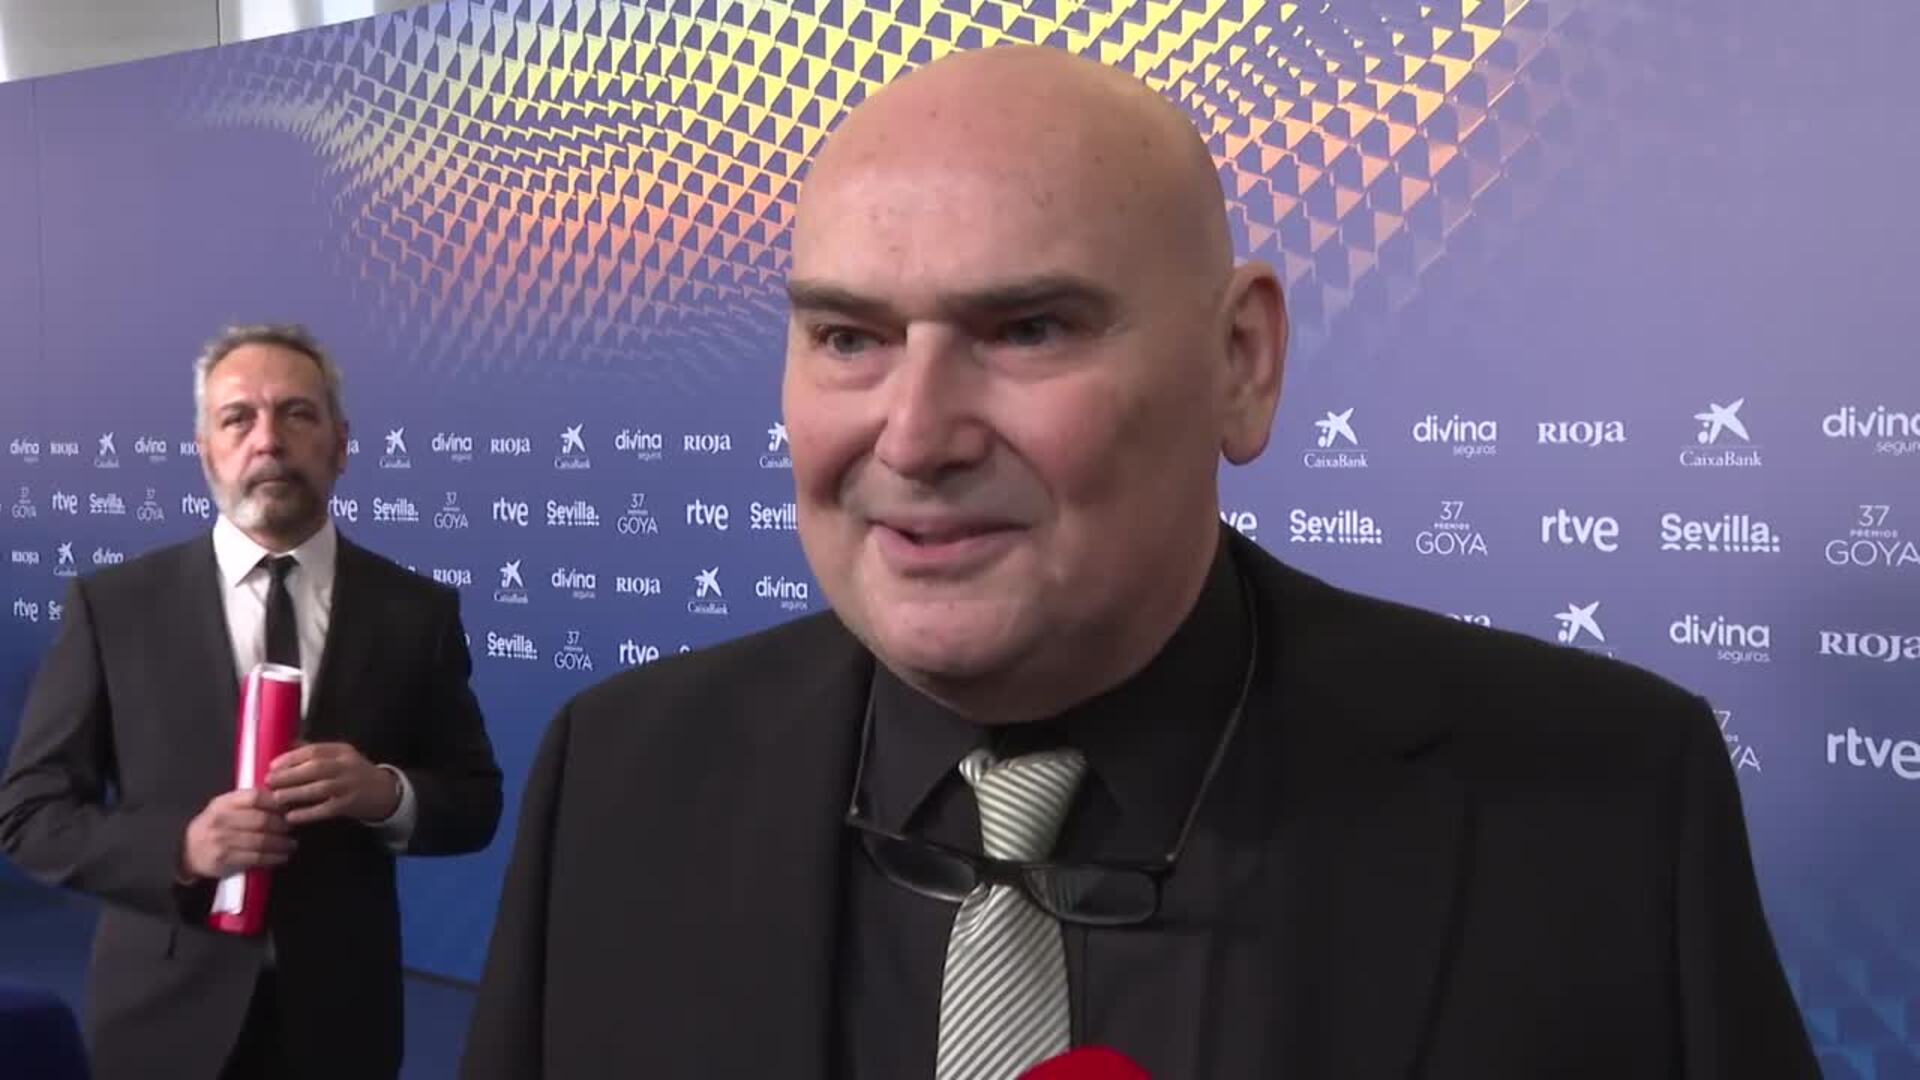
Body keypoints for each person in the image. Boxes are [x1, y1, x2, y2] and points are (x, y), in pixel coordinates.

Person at [462, 46, 1818, 1079]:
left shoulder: (1605, 802)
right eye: (849, 339)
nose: (916, 435)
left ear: (1240, 362)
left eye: (1029, 329)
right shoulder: (619, 777)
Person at [0, 324, 504, 1080]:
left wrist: (385, 793)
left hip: (343, 1018)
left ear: (340, 443)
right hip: (159, 1019)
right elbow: (29, 815)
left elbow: (475, 802)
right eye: (238, 418)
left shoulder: (416, 613)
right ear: (206, 449)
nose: (268, 440)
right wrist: (181, 848)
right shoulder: (114, 607)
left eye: (297, 413)